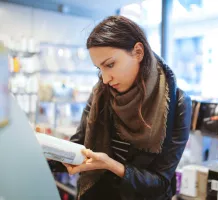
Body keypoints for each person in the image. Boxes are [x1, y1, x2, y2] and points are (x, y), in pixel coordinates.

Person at [48, 15, 192, 200]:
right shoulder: (101, 93)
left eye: (110, 65)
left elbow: (160, 183)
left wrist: (111, 165)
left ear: (138, 52)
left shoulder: (177, 103)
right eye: (100, 69)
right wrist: (43, 153)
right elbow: (80, 145)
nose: (105, 78)